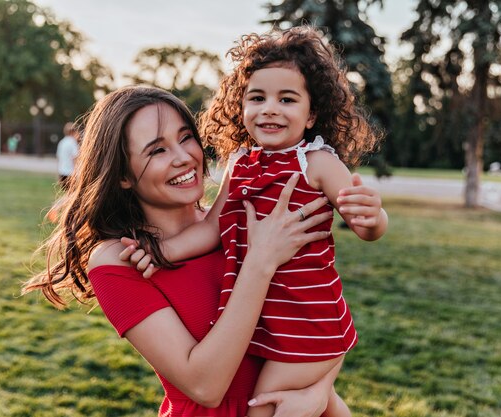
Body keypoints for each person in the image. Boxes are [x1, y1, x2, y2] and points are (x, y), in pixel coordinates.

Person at [23, 86, 365, 416]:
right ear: (123, 175)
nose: (184, 157)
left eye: (186, 137)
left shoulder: (241, 219)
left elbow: (320, 309)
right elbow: (205, 386)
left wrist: (319, 391)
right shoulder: (118, 260)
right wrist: (261, 262)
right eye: (157, 150)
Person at [123, 26, 388, 417]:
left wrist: (373, 215)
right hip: (270, 326)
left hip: (306, 321)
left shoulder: (317, 162)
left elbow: (365, 225)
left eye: (287, 99)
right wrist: (158, 251)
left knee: (264, 407)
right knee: (315, 404)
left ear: (311, 113)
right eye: (257, 97)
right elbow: (214, 228)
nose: (270, 108)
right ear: (241, 106)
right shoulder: (240, 163)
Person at [56, 122, 80, 191]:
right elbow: (75, 158)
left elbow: (59, 158)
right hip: (71, 173)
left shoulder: (61, 142)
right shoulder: (72, 142)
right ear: (73, 131)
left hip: (62, 172)